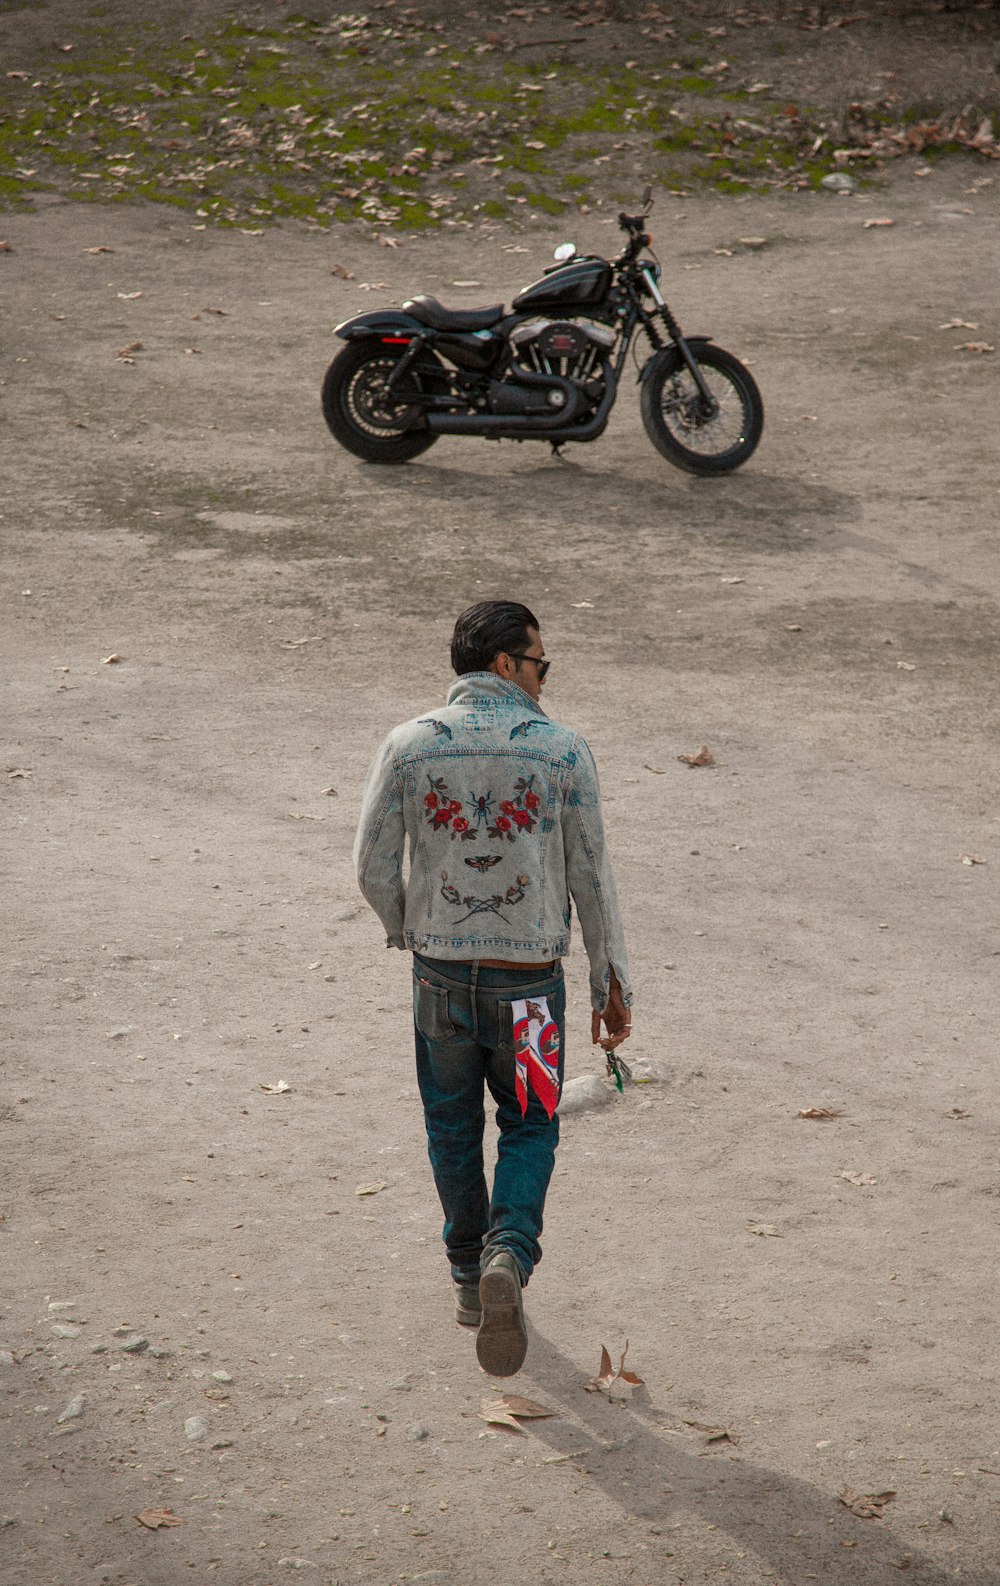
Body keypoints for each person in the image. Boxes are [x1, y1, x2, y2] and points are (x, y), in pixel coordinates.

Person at [354, 600, 632, 1377]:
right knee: (532, 1124)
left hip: (438, 977)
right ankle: (510, 1249)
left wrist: (410, 928)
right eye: (542, 663)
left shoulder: (408, 746)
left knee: (450, 1128)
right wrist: (611, 983)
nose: (547, 679)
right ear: (508, 663)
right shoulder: (564, 751)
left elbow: (372, 866)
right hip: (534, 987)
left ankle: (470, 1280)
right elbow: (594, 879)